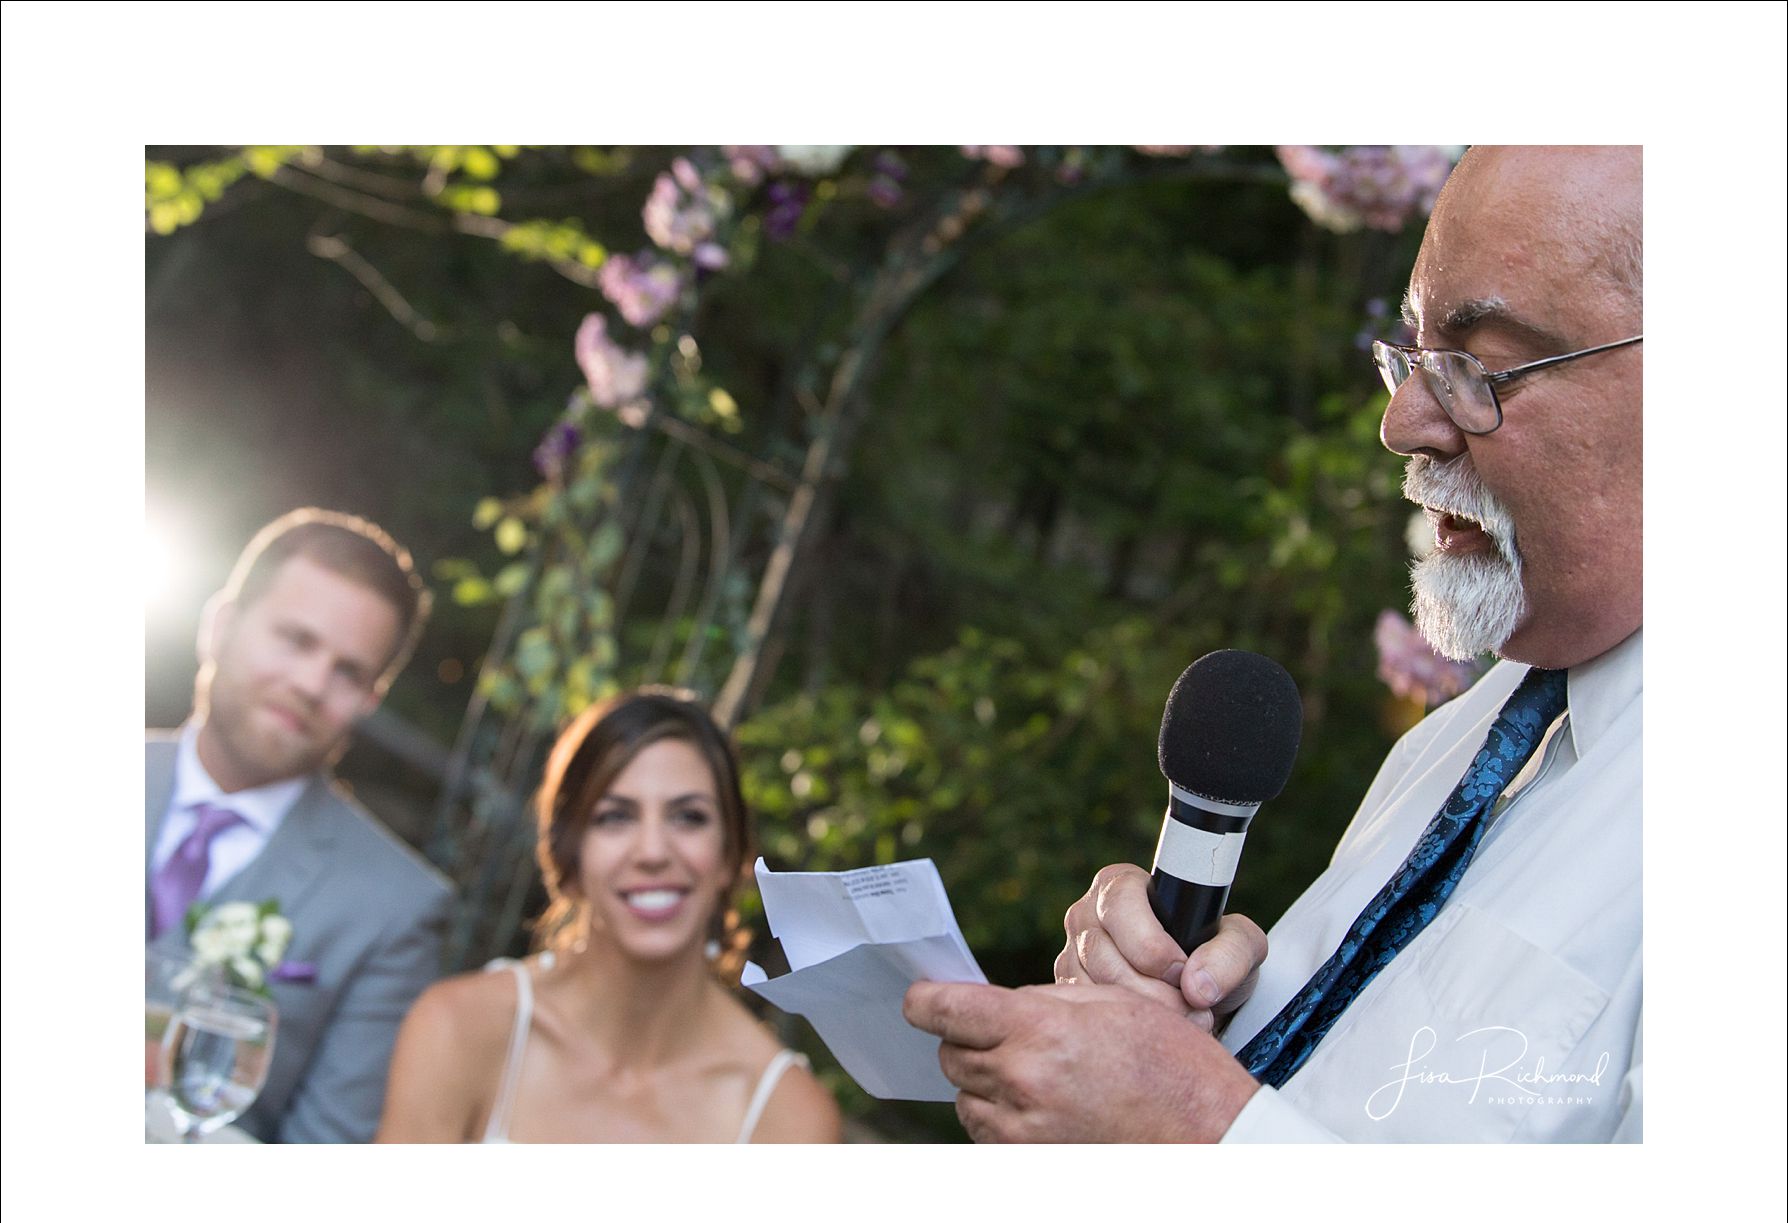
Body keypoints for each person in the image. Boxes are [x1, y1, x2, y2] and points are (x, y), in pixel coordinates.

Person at [904, 145, 1644, 1143]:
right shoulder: (1457, 744)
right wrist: (1194, 1023)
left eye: (1480, 364)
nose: (1404, 421)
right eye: (1413, 358)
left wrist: (1198, 1127)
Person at [376, 689, 842, 1143]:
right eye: (615, 817)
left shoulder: (788, 1118)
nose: (653, 852)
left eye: (688, 817)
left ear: (730, 855)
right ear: (569, 856)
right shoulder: (457, 1030)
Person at [147, 508, 454, 1143]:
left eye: (350, 672)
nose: (313, 684)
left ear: (371, 699)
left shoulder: (395, 909)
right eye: (295, 640)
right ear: (220, 626)